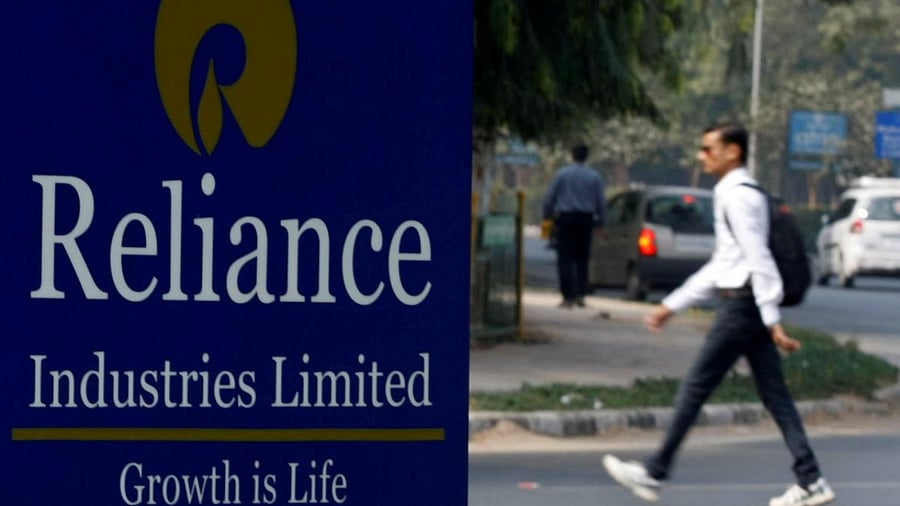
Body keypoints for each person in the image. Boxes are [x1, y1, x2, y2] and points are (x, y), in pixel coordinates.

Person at [602, 123, 835, 506]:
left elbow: (757, 258)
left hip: (742, 307)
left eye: (709, 149)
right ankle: (811, 480)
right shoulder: (733, 193)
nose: (701, 156)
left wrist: (771, 318)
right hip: (746, 304)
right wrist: (671, 305)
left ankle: (654, 472)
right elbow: (724, 262)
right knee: (775, 396)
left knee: (695, 387)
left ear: (733, 152)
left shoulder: (739, 197)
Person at [542, 143, 605, 308]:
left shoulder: (562, 174)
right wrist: (601, 222)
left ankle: (567, 296)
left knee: (565, 258)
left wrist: (546, 216)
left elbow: (550, 198)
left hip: (565, 219)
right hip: (586, 220)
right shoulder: (594, 176)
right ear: (587, 156)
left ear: (572, 155)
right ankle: (580, 294)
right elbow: (601, 201)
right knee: (582, 259)